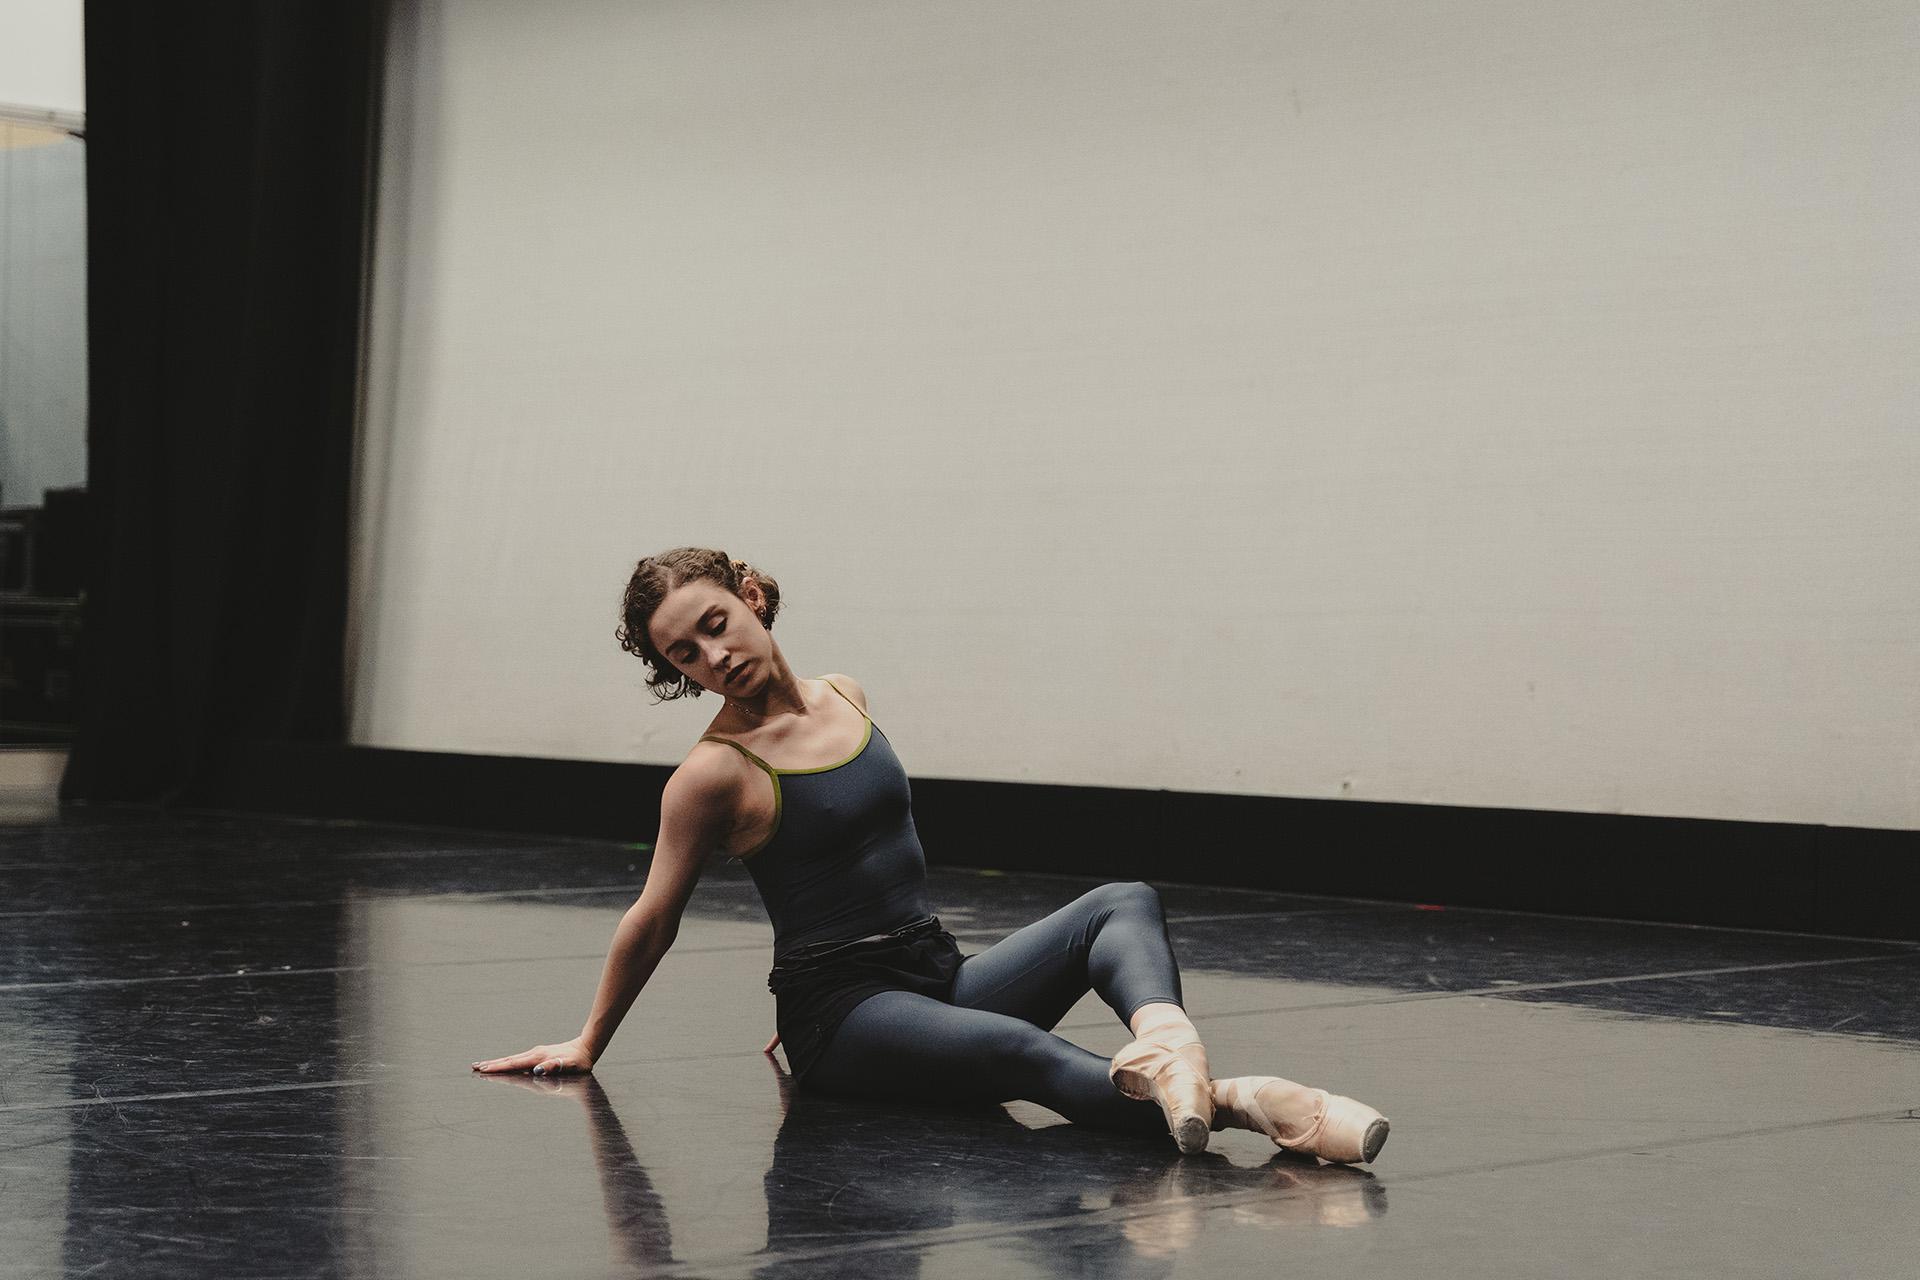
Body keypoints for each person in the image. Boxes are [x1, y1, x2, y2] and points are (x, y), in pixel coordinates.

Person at [473, 547, 1390, 1163]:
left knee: (1123, 900)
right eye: (685, 655)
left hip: (932, 972)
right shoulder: (713, 776)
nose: (712, 656)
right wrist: (589, 1041)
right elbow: (654, 917)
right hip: (843, 1013)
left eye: (715, 624)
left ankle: (1169, 1046)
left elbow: (870, 846)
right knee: (1021, 1052)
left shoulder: (845, 692)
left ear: (751, 597)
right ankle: (1248, 1104)